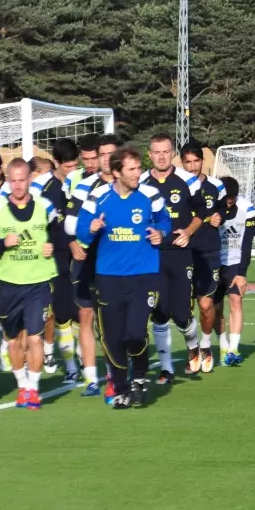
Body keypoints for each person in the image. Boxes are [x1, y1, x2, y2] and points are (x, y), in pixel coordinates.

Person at [76, 147, 169, 408]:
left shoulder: (150, 195)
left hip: (144, 275)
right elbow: (81, 231)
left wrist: (161, 233)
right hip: (109, 277)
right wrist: (91, 229)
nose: (137, 173)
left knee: (135, 333)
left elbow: (165, 221)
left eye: (139, 168)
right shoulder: (98, 197)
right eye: (131, 169)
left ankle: (139, 378)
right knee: (112, 337)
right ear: (116, 172)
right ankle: (121, 388)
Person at [0, 158, 63, 410]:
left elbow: (59, 233)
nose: (17, 185)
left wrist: (53, 245)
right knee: (14, 339)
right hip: (8, 283)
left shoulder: (45, 206)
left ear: (29, 180)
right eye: (13, 180)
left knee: (36, 338)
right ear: (8, 181)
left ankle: (33, 390)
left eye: (22, 179)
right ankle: (22, 385)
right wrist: (3, 243)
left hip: (38, 282)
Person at [140, 132, 200, 385]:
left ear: (172, 153)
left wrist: (188, 231)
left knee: (182, 313)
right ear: (150, 154)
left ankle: (193, 345)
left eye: (166, 151)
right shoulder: (141, 181)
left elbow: (202, 213)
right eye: (157, 152)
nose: (161, 156)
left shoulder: (188, 180)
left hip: (180, 254)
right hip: (152, 257)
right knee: (158, 312)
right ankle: (166, 369)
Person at [65, 133, 119, 397]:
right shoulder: (84, 187)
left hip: (117, 265)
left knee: (111, 321)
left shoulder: (132, 187)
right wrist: (72, 242)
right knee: (85, 316)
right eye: (102, 155)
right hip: (87, 262)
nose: (106, 160)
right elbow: (68, 223)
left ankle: (115, 371)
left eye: (111, 154)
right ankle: (91, 378)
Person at [179, 142, 226, 374]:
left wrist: (219, 216)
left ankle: (206, 346)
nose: (192, 166)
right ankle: (192, 347)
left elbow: (224, 209)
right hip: (182, 253)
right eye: (187, 161)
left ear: (202, 162)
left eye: (196, 161)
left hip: (208, 251)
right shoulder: (177, 186)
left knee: (206, 305)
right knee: (182, 310)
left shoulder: (216, 186)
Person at [36, 138, 80, 383]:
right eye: (67, 167)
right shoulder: (41, 186)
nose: (71, 171)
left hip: (84, 256)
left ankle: (86, 362)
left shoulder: (83, 183)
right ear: (56, 163)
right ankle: (71, 366)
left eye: (75, 165)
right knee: (62, 313)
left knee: (84, 312)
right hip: (56, 258)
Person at [213, 176, 255, 366]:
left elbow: (247, 242)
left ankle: (233, 349)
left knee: (235, 302)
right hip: (214, 263)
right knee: (215, 308)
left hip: (235, 263)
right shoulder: (211, 207)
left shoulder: (247, 208)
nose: (229, 203)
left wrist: (242, 272)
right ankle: (223, 345)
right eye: (226, 199)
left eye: (232, 199)